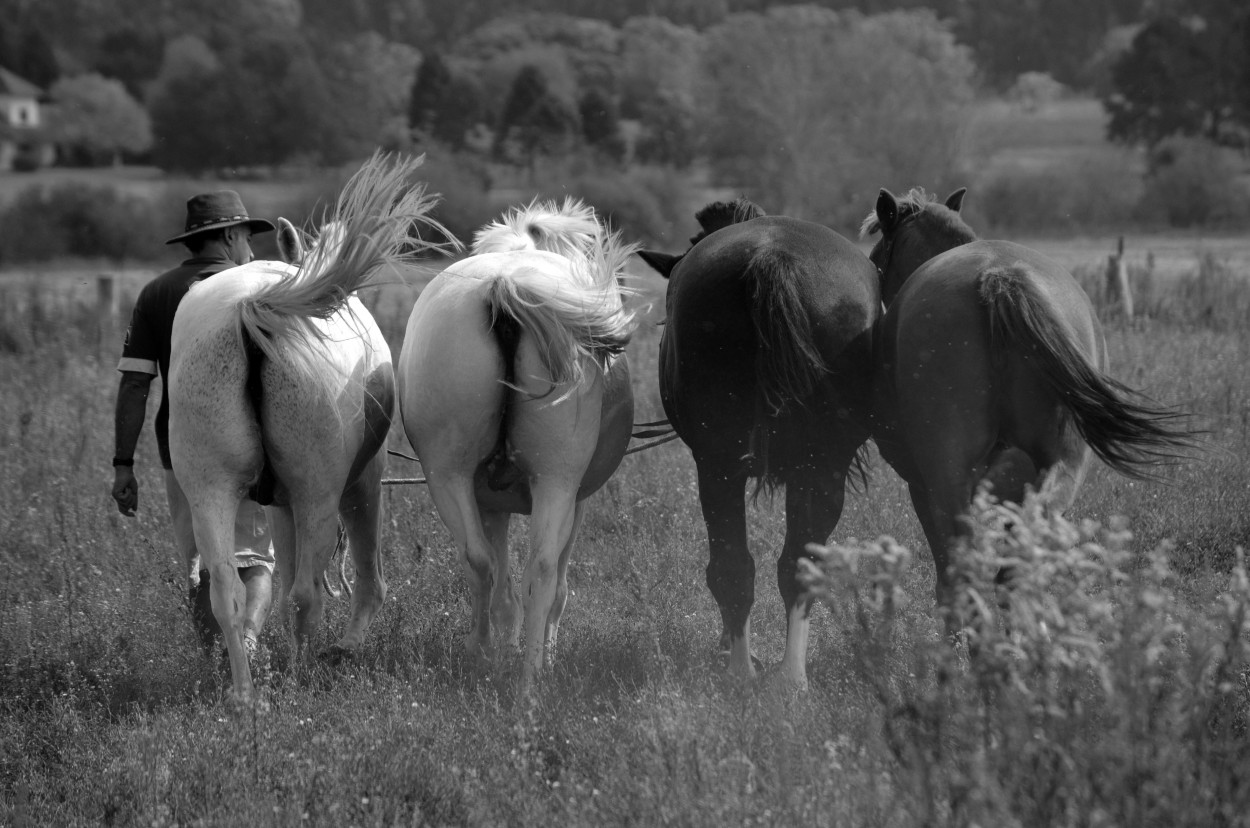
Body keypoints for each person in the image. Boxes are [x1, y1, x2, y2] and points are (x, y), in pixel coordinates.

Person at [110, 191, 277, 656]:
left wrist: (124, 463)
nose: (251, 250)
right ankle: (248, 640)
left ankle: (216, 658)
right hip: (262, 443)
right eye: (247, 237)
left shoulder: (157, 293)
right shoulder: (259, 286)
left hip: (184, 451)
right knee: (258, 559)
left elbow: (135, 384)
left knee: (203, 563)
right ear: (227, 236)